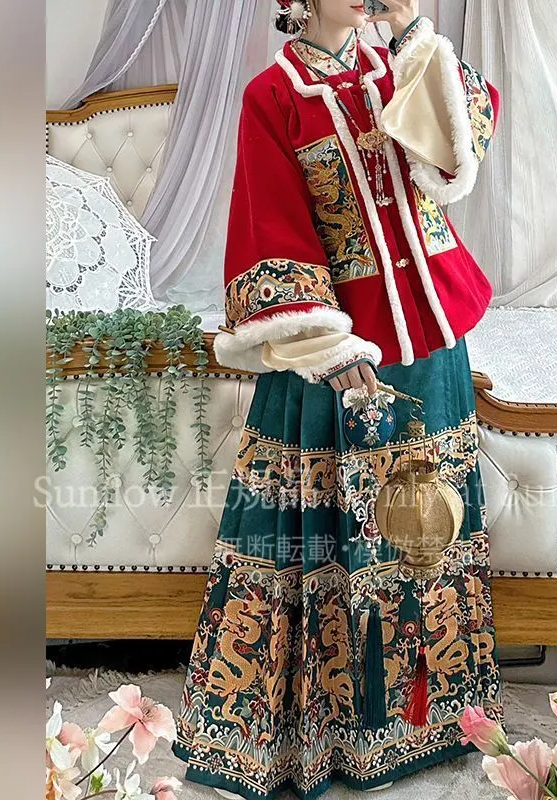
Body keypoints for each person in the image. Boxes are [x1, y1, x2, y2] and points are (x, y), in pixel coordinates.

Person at [173, 2, 503, 797]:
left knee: (429, 529)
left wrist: (414, 35)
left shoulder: (404, 62)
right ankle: (325, 743)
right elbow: (271, 232)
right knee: (330, 540)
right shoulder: (273, 96)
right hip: (337, 352)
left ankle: (428, 722)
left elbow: (459, 155)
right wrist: (332, 349)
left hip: (433, 340)